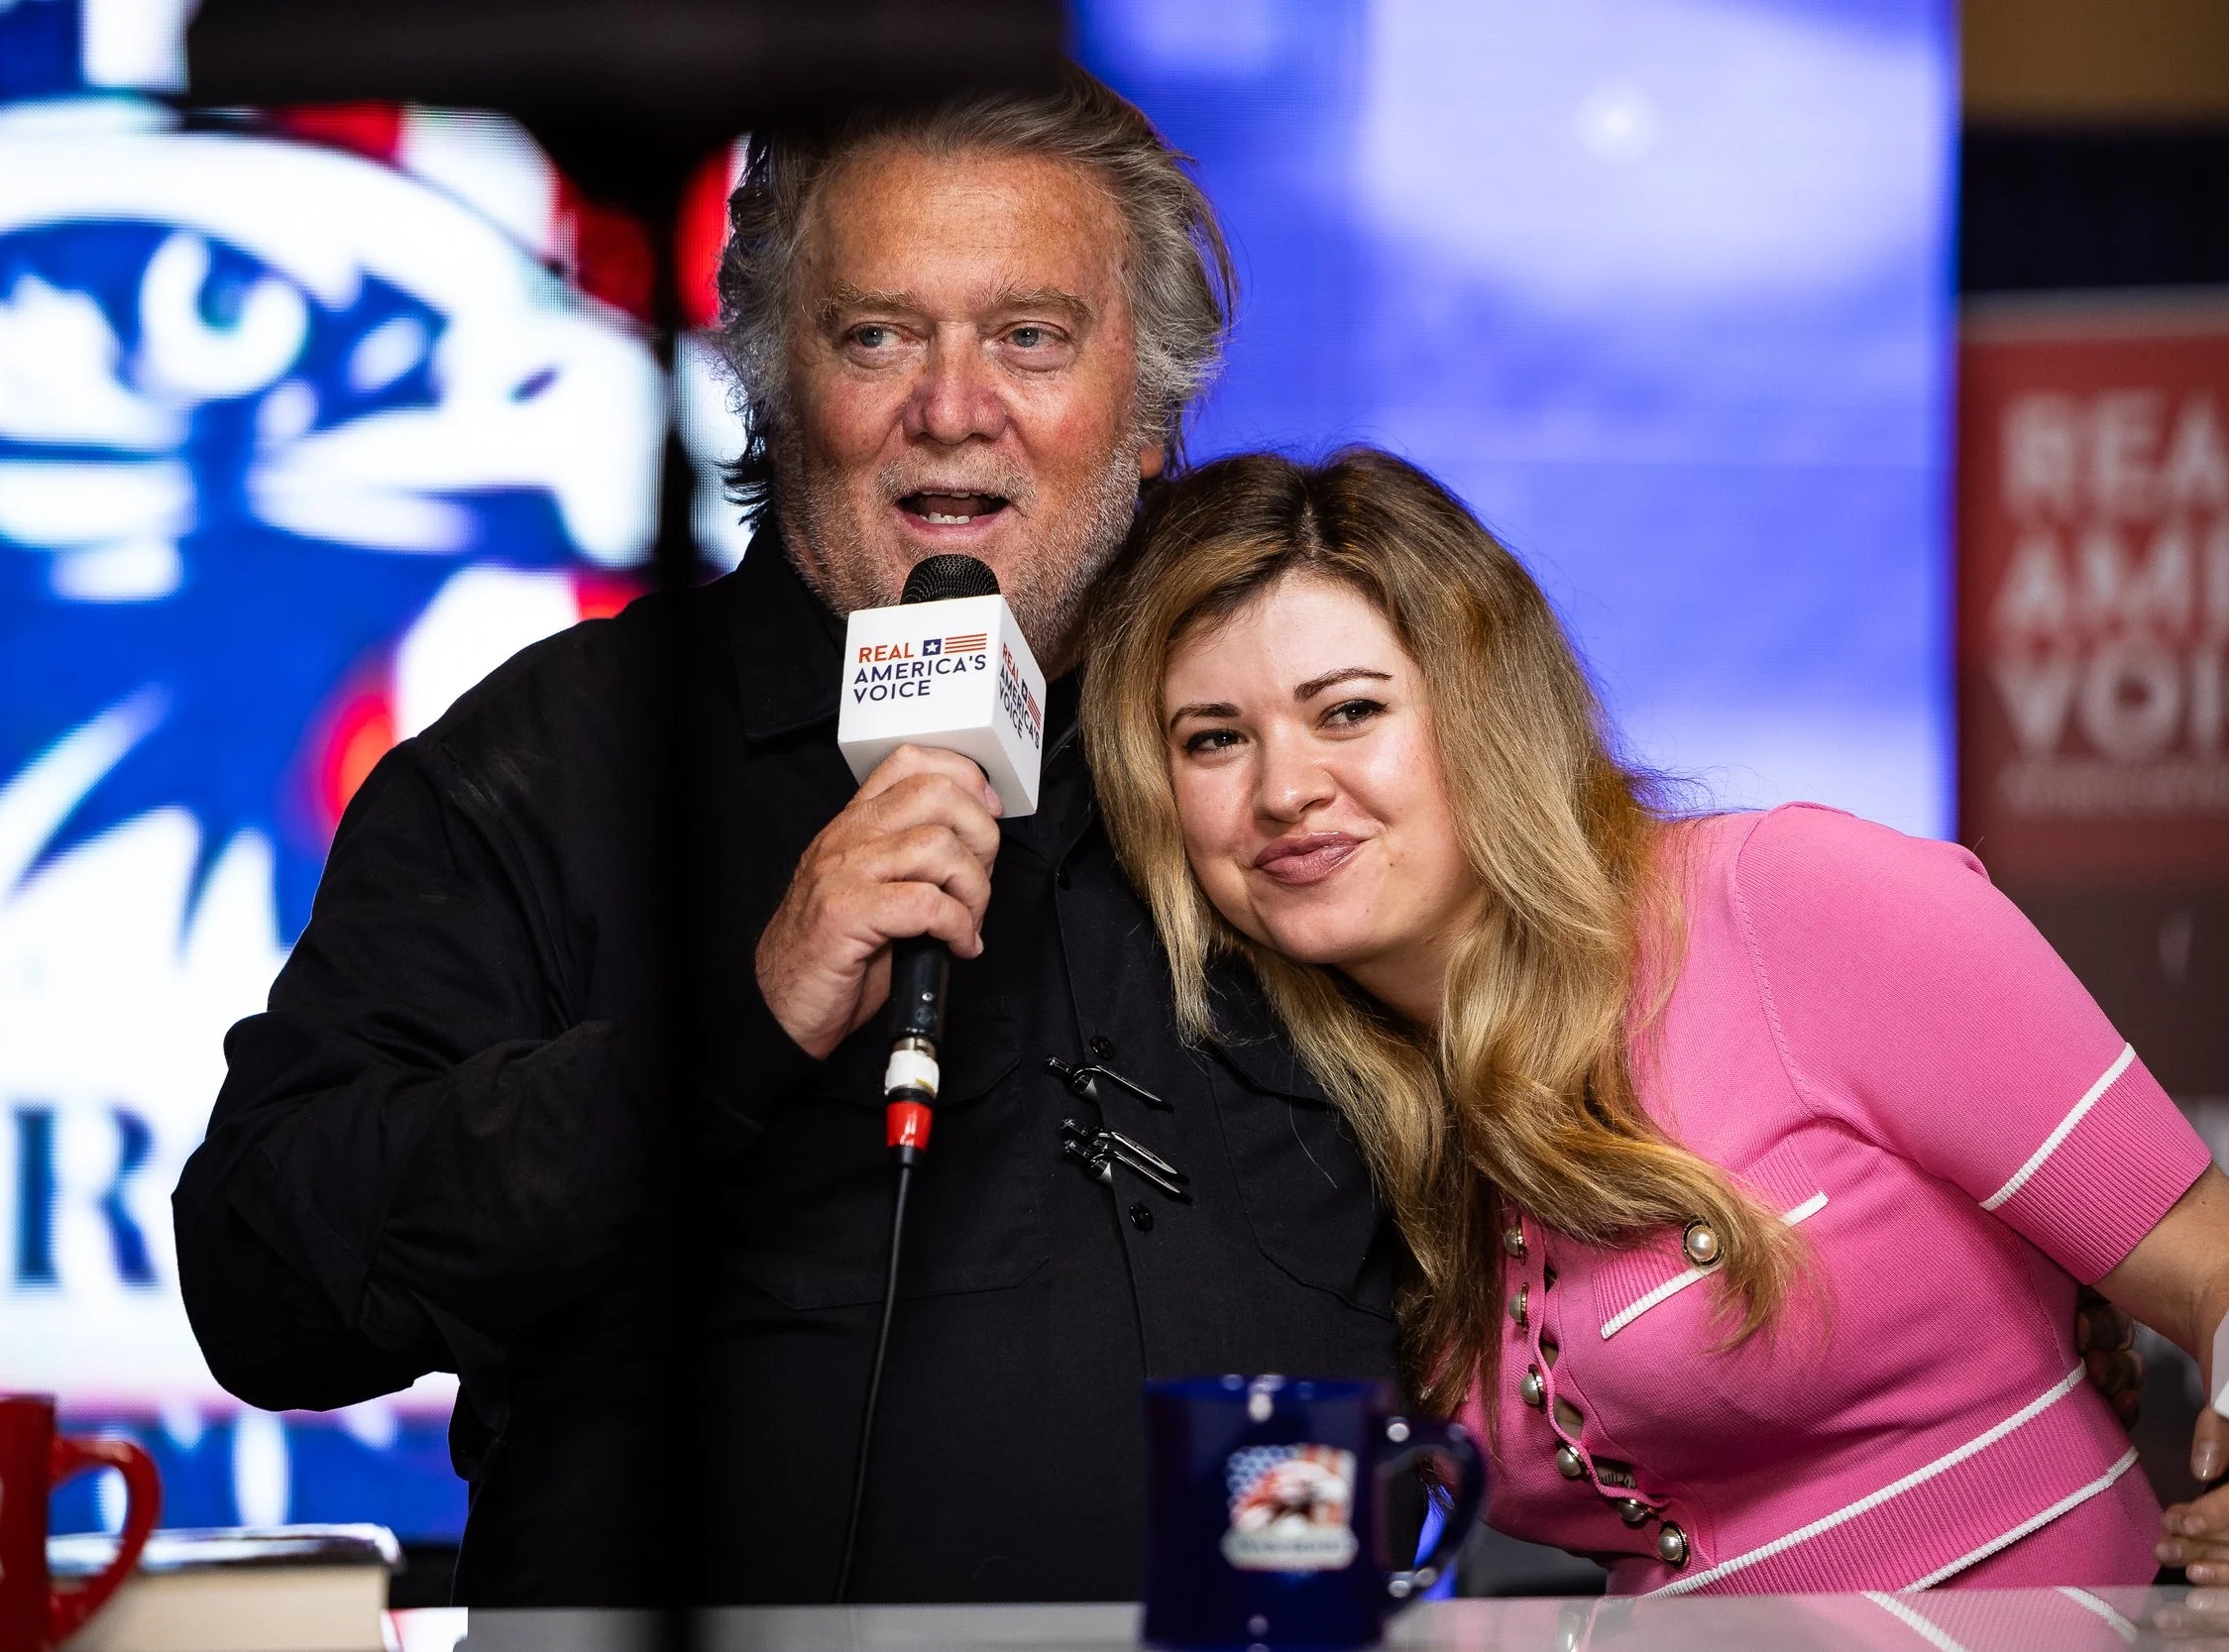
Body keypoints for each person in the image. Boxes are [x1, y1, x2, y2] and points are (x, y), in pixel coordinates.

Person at [170, 72, 1405, 1606]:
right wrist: (727, 1034)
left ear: (1150, 410)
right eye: (876, 334)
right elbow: (262, 1285)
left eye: (1030, 335)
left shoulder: (1306, 755)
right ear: (766, 375)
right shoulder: (551, 763)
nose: (953, 404)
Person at [1083, 448, 2229, 1594]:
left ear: (1485, 708)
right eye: (1214, 739)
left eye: (1346, 711)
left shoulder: (1790, 901)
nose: (1282, 789)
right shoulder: (1317, 1109)